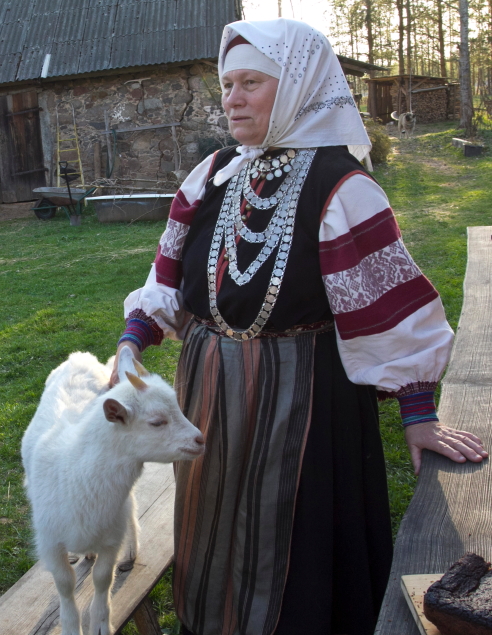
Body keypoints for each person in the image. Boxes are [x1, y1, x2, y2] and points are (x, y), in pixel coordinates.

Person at [111, 19, 487, 635]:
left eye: (251, 83)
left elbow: (387, 309)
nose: (231, 97)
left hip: (305, 398)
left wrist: (418, 413)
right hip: (206, 387)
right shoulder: (210, 175)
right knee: (208, 521)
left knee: (292, 535)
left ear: (297, 89)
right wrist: (135, 338)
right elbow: (168, 272)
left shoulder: (342, 186)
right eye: (227, 83)